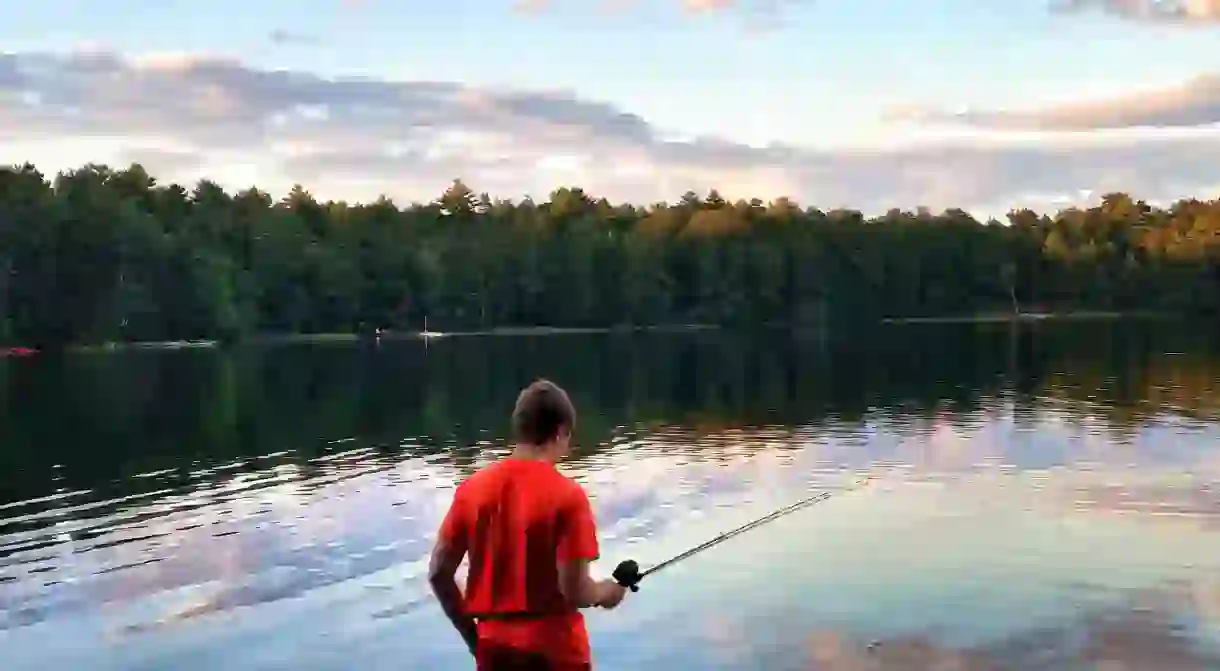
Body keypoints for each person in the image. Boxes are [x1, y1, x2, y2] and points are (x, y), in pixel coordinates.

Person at [428, 379, 634, 670]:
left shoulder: (471, 490)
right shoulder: (568, 496)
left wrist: (475, 640)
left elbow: (438, 573)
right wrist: (609, 592)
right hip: (557, 654)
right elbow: (575, 591)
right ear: (561, 431)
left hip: (493, 651)